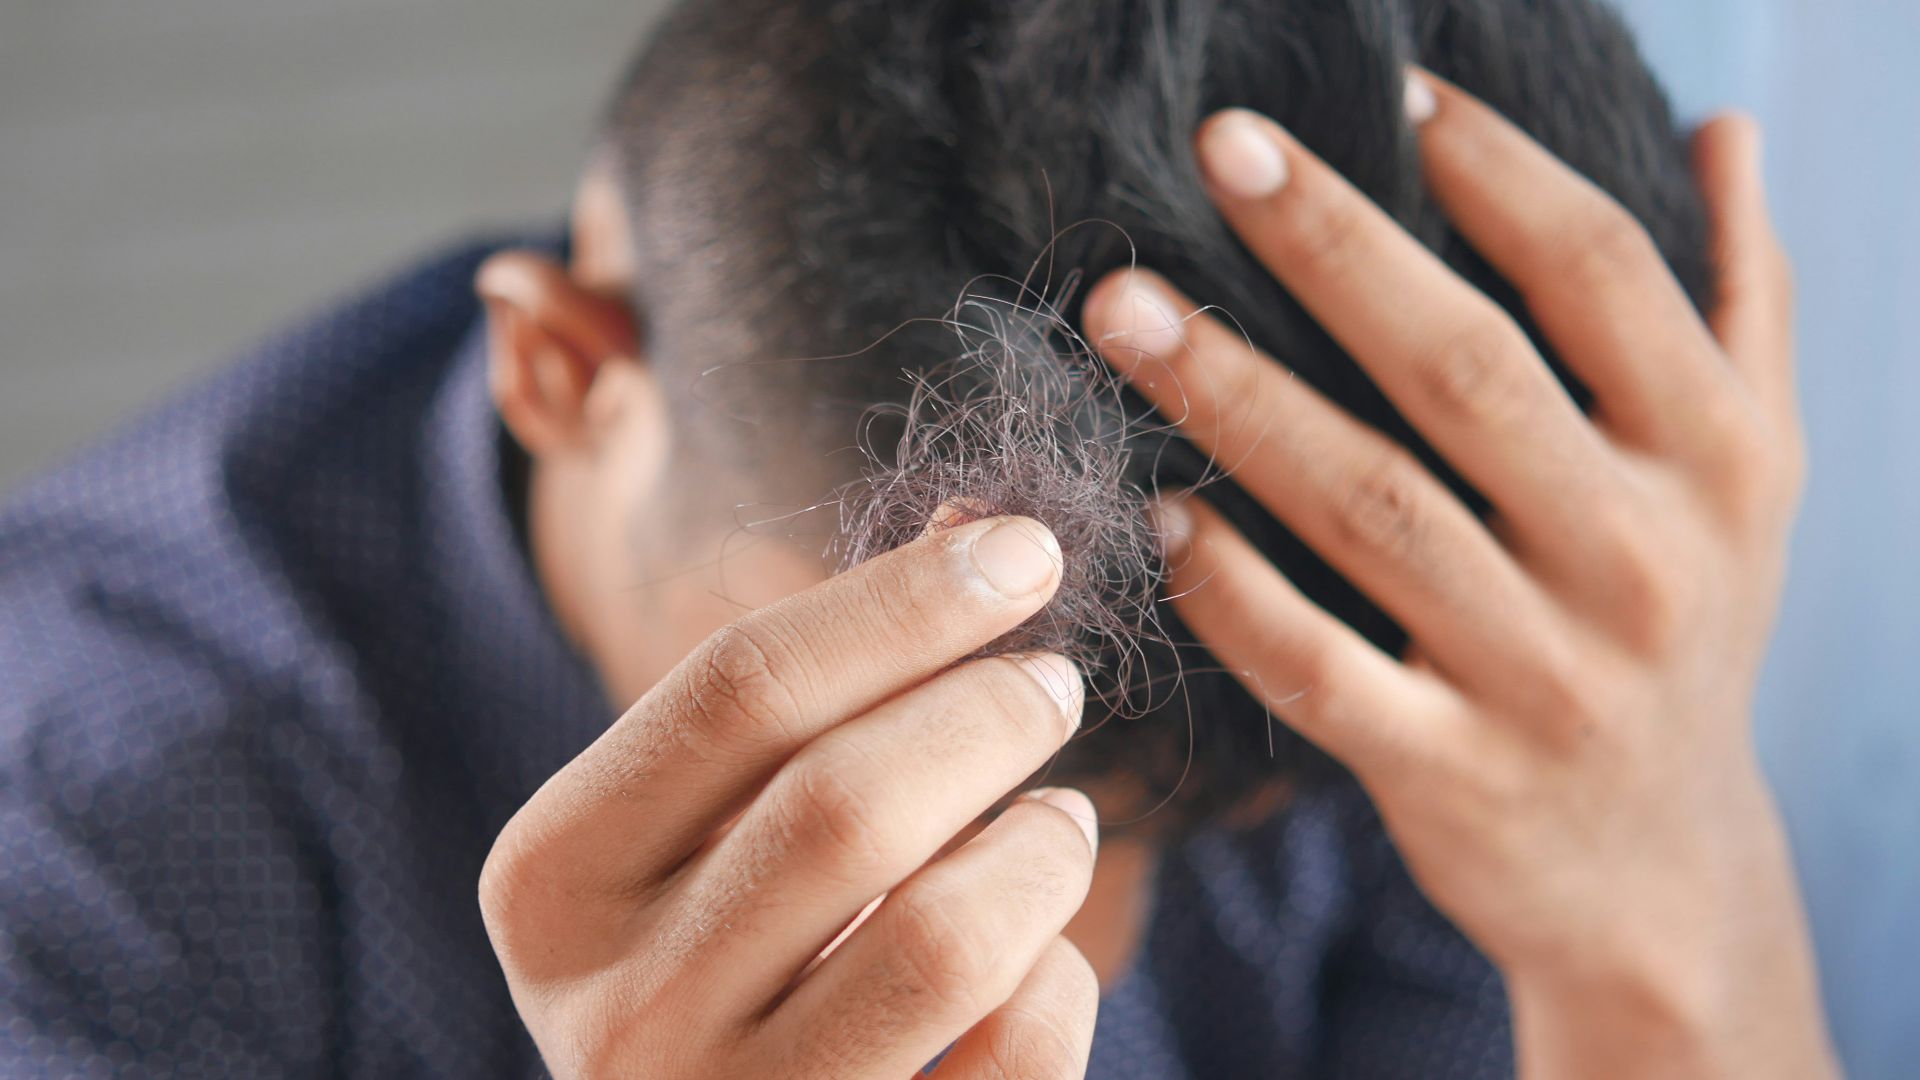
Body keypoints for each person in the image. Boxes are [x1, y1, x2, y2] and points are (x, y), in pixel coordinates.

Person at [0, 0, 1838, 1076]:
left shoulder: (1422, 637)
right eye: (889, 722)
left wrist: (1676, 927)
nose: (1066, 980)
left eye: (1186, 824)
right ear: (560, 369)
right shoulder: (74, 853)